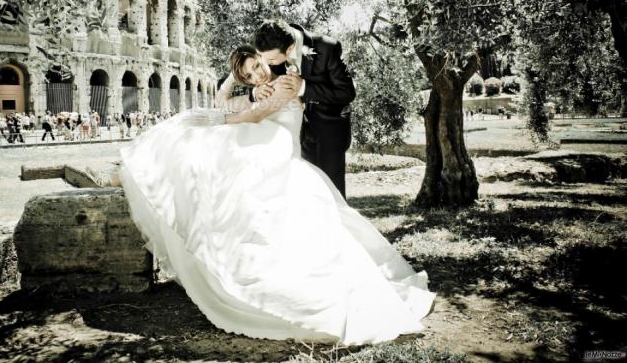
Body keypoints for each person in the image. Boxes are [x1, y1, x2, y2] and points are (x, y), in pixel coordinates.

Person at [115, 45, 434, 346]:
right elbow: (222, 98)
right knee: (211, 169)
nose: (256, 75)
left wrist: (220, 117)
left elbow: (252, 116)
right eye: (250, 75)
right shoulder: (260, 88)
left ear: (264, 56)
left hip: (281, 155)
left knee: (212, 146)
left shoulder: (287, 81)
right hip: (267, 154)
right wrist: (237, 76)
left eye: (256, 66)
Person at [252, 20, 355, 198]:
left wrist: (304, 88)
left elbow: (347, 92)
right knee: (306, 194)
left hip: (330, 132)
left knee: (332, 193)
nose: (266, 64)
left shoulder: (327, 48)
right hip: (296, 134)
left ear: (290, 48)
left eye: (271, 60)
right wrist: (256, 91)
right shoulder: (272, 51)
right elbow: (259, 77)